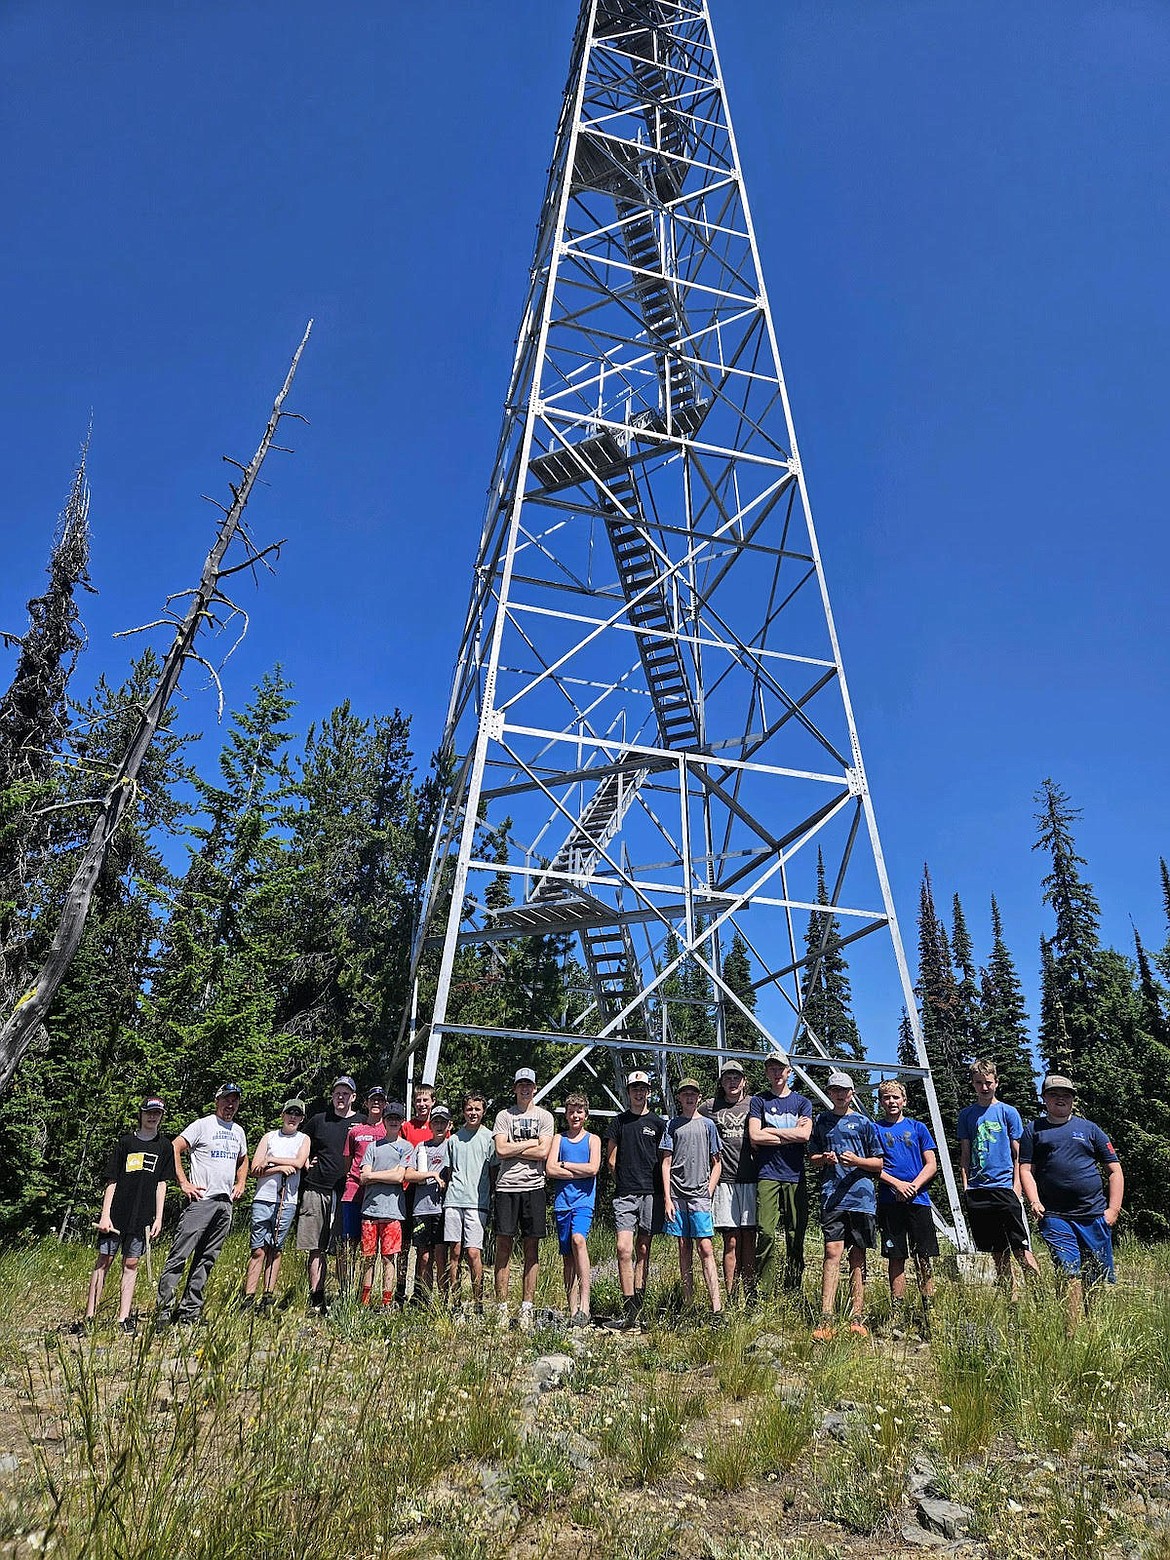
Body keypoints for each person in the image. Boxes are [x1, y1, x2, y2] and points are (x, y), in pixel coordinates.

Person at [1019, 1074, 1123, 1331]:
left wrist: (1113, 1210)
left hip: (1094, 1214)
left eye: (1066, 1094)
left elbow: (1115, 1170)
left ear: (1073, 1099)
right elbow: (1025, 1170)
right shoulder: (1033, 1130)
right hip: (1055, 1216)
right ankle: (1071, 1332)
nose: (1061, 1098)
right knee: (1069, 1271)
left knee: (1096, 1274)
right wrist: (1034, 1201)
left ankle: (1093, 1328)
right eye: (1054, 1094)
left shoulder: (1090, 1129)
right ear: (1044, 1099)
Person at [74, 1096, 170, 1334]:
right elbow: (112, 1180)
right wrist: (105, 1214)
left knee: (131, 1263)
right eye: (149, 1112)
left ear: (161, 1116)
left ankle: (123, 1318)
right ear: (141, 1114)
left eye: (157, 1113)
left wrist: (158, 1217)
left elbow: (161, 1184)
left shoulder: (164, 1146)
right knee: (104, 1261)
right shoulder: (126, 1142)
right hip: (117, 1213)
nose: (152, 1117)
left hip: (143, 1217)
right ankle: (90, 1317)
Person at [156, 1083, 248, 1326]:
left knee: (207, 1258)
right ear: (217, 1101)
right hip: (201, 1201)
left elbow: (243, 1159)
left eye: (235, 1101)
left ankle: (189, 1311)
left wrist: (240, 1183)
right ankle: (163, 1311)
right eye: (227, 1100)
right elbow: (174, 1146)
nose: (231, 1105)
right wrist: (184, 1182)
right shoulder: (203, 1125)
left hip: (224, 1203)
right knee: (180, 1255)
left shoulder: (238, 1131)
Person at [809, 1071, 884, 1340]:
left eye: (845, 1090)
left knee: (858, 1255)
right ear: (829, 1093)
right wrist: (825, 1159)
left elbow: (878, 1163)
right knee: (832, 1251)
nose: (840, 1095)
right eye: (835, 1090)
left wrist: (857, 1161)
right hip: (832, 1195)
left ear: (852, 1093)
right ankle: (826, 1317)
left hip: (861, 1198)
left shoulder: (864, 1123)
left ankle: (857, 1316)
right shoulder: (822, 1122)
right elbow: (813, 1157)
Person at [957, 1059, 1040, 1298]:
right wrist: (966, 1186)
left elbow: (1019, 1154)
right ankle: (1009, 1298)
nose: (984, 1088)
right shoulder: (967, 1115)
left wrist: (1017, 1186)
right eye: (979, 1083)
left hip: (1004, 1186)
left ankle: (1039, 1294)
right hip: (978, 1188)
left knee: (1020, 1247)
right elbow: (965, 1153)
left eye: (988, 1083)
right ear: (973, 1084)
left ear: (997, 1083)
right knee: (997, 1251)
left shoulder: (1007, 1112)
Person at [492, 1067, 555, 1331]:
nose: (525, 1089)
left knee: (532, 1248)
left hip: (534, 1187)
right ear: (515, 1088)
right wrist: (528, 1145)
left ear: (535, 1087)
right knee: (503, 1246)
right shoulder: (503, 1115)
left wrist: (514, 1149)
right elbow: (501, 1149)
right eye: (521, 1085)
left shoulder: (545, 1116)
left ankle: (527, 1307)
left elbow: (544, 1152)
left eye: (529, 1084)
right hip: (506, 1187)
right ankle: (501, 1308)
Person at [747, 1050, 814, 1297]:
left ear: (789, 1072)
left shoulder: (801, 1102)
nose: (776, 1073)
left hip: (794, 1175)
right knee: (765, 1232)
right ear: (766, 1072)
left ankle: (793, 1289)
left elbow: (805, 1136)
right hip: (767, 1173)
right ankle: (764, 1290)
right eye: (771, 1069)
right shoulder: (759, 1101)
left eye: (780, 1068)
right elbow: (754, 1135)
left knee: (796, 1234)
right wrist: (789, 1135)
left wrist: (772, 1133)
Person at [606, 1070, 667, 1331]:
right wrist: (622, 1178)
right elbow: (610, 1159)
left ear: (648, 1091)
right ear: (628, 1092)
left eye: (643, 1088)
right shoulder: (618, 1122)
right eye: (634, 1089)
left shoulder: (658, 1123)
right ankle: (628, 1303)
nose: (638, 1093)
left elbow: (666, 1158)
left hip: (651, 1192)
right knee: (624, 1248)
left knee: (644, 1249)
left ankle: (638, 1306)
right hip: (626, 1192)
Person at [298, 1076, 365, 1314]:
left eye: (346, 1093)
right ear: (332, 1095)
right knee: (316, 1246)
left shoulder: (362, 1124)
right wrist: (305, 1161)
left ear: (353, 1097)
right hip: (317, 1188)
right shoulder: (319, 1121)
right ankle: (316, 1298)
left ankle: (346, 1296)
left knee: (344, 1248)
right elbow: (300, 1141)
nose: (341, 1097)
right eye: (337, 1092)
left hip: (348, 1193)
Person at [872, 1079, 938, 1320]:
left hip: (918, 1200)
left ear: (904, 1101)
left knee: (924, 1255)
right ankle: (897, 1309)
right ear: (880, 1102)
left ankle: (928, 1307)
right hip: (891, 1200)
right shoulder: (875, 1129)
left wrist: (913, 1186)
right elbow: (873, 1166)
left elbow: (931, 1164)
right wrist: (897, 1184)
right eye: (886, 1098)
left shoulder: (918, 1127)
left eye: (895, 1097)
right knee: (896, 1256)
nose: (891, 1101)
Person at [660, 1078, 724, 1320]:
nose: (689, 1097)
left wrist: (709, 1189)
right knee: (683, 1247)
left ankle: (716, 1307)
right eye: (684, 1093)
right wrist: (667, 1198)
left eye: (693, 1094)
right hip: (677, 1195)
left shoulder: (708, 1125)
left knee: (705, 1247)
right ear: (679, 1097)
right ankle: (688, 1304)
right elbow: (666, 1162)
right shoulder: (672, 1125)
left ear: (699, 1097)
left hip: (699, 1196)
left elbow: (717, 1162)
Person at [242, 1099, 310, 1312]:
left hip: (286, 1200)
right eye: (290, 1112)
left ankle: (268, 1295)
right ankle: (248, 1296)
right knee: (258, 1249)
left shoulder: (303, 1139)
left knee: (276, 1248)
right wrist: (278, 1168)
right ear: (282, 1114)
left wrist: (271, 1160)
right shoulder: (269, 1137)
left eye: (297, 1114)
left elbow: (299, 1163)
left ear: (301, 1119)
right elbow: (254, 1169)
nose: (293, 1117)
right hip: (264, 1197)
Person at [701, 1062, 757, 1303]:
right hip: (724, 1180)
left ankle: (751, 1296)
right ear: (721, 1082)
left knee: (749, 1240)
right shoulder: (709, 1107)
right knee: (731, 1240)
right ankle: (733, 1298)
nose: (732, 1082)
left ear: (744, 1081)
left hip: (752, 1178)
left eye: (737, 1078)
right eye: (728, 1078)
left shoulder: (755, 1103)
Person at [546, 1092, 601, 1327]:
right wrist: (577, 1170)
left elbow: (593, 1168)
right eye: (571, 1112)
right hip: (562, 1203)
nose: (575, 1115)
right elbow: (549, 1169)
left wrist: (566, 1166)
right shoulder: (559, 1139)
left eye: (579, 1111)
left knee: (579, 1240)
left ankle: (585, 1305)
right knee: (567, 1256)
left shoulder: (593, 1139)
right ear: (566, 1115)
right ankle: (572, 1309)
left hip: (583, 1202)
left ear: (585, 1115)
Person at [442, 1093, 496, 1313]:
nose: (473, 1113)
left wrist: (490, 1198)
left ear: (483, 1112)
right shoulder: (453, 1139)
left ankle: (478, 1301)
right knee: (454, 1252)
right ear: (463, 1111)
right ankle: (454, 1301)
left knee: (473, 1252)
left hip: (477, 1202)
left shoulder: (490, 1138)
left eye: (477, 1109)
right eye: (469, 1109)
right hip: (454, 1200)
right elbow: (449, 1171)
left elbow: (494, 1171)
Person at [358, 1102, 412, 1307]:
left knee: (389, 1259)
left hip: (393, 1212)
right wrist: (380, 1175)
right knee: (368, 1258)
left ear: (401, 1122)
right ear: (384, 1119)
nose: (393, 1122)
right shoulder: (373, 1146)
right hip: (370, 1210)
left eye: (397, 1119)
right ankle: (365, 1301)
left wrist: (374, 1175)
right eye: (390, 1118)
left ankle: (386, 1303)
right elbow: (363, 1177)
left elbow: (400, 1176)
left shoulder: (406, 1147)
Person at [338, 1086, 388, 1290]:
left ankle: (365, 1290)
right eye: (372, 1100)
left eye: (380, 1100)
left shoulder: (390, 1129)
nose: (376, 1103)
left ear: (385, 1104)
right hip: (354, 1192)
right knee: (349, 1243)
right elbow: (348, 1161)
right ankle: (345, 1289)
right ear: (366, 1103)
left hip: (380, 1195)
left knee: (371, 1247)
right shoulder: (356, 1131)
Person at [406, 1103, 452, 1305]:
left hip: (443, 1208)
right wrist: (431, 1174)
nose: (439, 1126)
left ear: (449, 1125)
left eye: (443, 1122)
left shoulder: (452, 1145)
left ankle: (443, 1300)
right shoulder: (421, 1147)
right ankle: (423, 1297)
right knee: (424, 1256)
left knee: (441, 1255)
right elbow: (409, 1174)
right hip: (422, 1208)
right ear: (430, 1125)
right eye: (436, 1122)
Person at [397, 1083, 436, 1303]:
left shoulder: (439, 1125)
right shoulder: (406, 1127)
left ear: (432, 1102)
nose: (422, 1105)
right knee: (403, 1244)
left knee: (424, 1246)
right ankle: (401, 1288)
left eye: (426, 1100)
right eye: (418, 1101)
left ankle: (421, 1290)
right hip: (406, 1190)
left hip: (427, 1194)